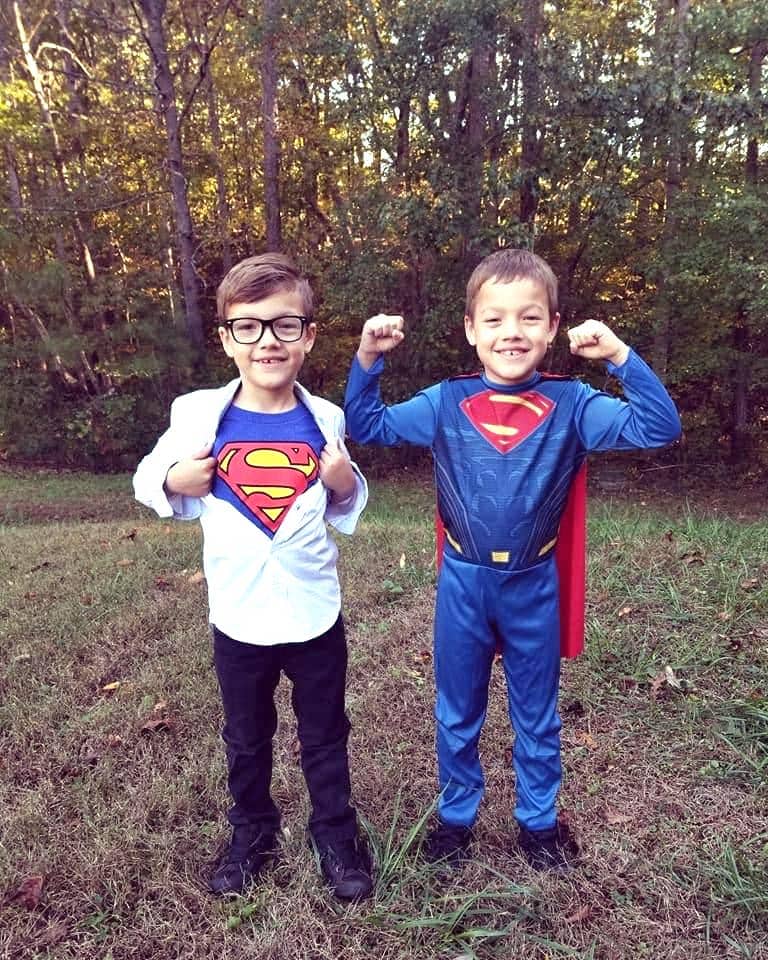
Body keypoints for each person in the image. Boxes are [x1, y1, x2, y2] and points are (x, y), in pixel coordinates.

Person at [344, 247, 681, 871]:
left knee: (536, 712)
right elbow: (365, 424)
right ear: (471, 329)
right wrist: (368, 357)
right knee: (458, 711)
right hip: (464, 584)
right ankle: (455, 820)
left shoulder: (574, 404)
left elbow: (658, 427)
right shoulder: (445, 401)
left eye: (529, 318)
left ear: (553, 327)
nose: (512, 332)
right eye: (494, 319)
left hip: (533, 585)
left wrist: (618, 356)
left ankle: (539, 823)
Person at [133, 253, 373, 900]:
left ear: (308, 336)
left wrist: (343, 483)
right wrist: (174, 479)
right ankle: (252, 829)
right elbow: (146, 479)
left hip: (313, 610)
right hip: (238, 615)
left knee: (325, 732)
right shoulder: (196, 414)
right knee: (245, 736)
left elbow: (343, 501)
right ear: (226, 339)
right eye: (248, 326)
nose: (268, 340)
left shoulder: (326, 418)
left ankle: (335, 831)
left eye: (284, 325)